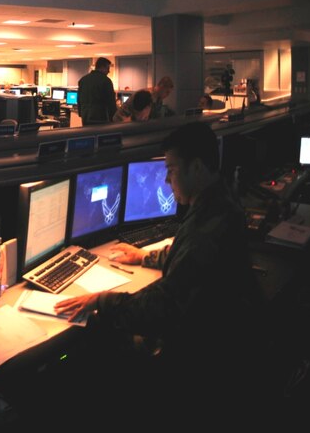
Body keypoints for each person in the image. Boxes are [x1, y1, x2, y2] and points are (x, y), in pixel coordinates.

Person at [54, 122, 261, 415]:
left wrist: (102, 300)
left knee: (97, 340)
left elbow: (163, 306)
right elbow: (188, 256)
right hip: (223, 338)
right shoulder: (219, 204)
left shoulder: (206, 228)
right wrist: (144, 257)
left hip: (200, 356)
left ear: (197, 167)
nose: (166, 180)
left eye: (172, 169)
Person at [76, 57, 116, 125]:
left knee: (88, 135)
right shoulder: (106, 81)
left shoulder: (83, 79)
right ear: (102, 67)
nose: (108, 71)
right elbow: (110, 101)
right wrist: (113, 118)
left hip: (85, 116)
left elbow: (79, 98)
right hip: (100, 117)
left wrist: (81, 113)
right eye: (108, 68)